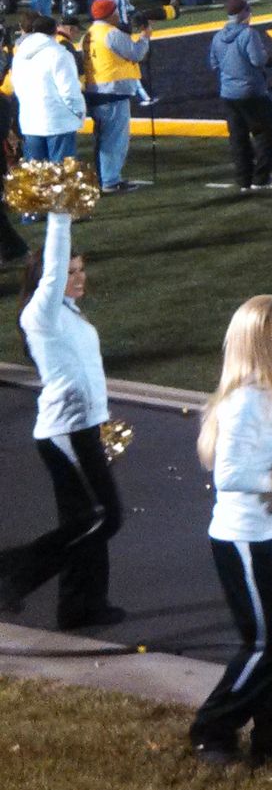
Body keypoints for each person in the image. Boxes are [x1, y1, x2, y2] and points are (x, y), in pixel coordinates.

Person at [189, 295, 272, 766]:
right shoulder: (245, 403)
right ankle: (211, 729)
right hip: (244, 538)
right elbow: (230, 474)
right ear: (270, 342)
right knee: (262, 643)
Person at [0, 205, 122, 629]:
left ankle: (81, 605)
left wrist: (102, 419)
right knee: (104, 517)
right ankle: (12, 574)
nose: (79, 277)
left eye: (82, 269)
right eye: (71, 271)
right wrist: (60, 215)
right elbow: (52, 270)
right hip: (64, 433)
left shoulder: (69, 315)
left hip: (85, 427)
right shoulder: (42, 314)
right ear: (48, 279)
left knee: (86, 521)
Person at [207, 0, 272, 192]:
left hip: (229, 94)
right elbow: (257, 60)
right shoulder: (249, 34)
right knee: (265, 135)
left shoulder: (217, 37)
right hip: (252, 92)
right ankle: (261, 178)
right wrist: (267, 57)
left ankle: (243, 179)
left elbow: (213, 63)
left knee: (238, 137)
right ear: (245, 14)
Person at [84, 0, 149, 193]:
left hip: (95, 91)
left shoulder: (89, 33)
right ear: (110, 14)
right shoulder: (111, 33)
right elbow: (135, 53)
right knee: (115, 139)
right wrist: (145, 37)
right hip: (113, 92)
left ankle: (103, 176)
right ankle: (110, 180)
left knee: (103, 138)